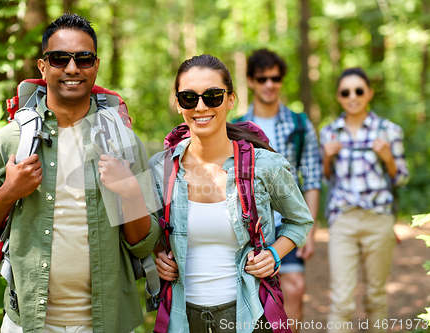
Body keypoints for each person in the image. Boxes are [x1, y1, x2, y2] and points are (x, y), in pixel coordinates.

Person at [0, 13, 159, 333]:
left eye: (84, 58)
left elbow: (144, 244)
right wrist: (9, 191)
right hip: (28, 321)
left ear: (96, 64)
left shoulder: (123, 142)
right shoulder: (9, 141)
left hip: (108, 322)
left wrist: (131, 191)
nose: (72, 68)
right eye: (59, 58)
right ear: (42, 66)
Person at [150, 54, 314, 333]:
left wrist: (274, 254)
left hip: (248, 316)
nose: (201, 106)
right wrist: (158, 255)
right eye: (189, 98)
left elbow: (301, 220)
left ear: (230, 100)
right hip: (182, 318)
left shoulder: (265, 165)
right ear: (178, 104)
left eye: (212, 96)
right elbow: (145, 232)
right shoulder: (160, 167)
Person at [234, 48, 322, 333]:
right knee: (251, 297)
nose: (269, 84)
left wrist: (310, 229)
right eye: (262, 79)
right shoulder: (235, 128)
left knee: (294, 287)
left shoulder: (299, 124)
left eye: (275, 78)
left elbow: (310, 178)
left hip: (287, 225)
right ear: (250, 81)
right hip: (248, 226)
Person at [320, 67, 409, 333]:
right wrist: (326, 157)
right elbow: (326, 179)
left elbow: (401, 177)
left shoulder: (389, 130)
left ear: (369, 93)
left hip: (378, 220)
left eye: (359, 90)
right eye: (345, 92)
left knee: (376, 296)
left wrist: (389, 158)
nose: (353, 96)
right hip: (343, 221)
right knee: (341, 301)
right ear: (338, 97)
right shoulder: (329, 133)